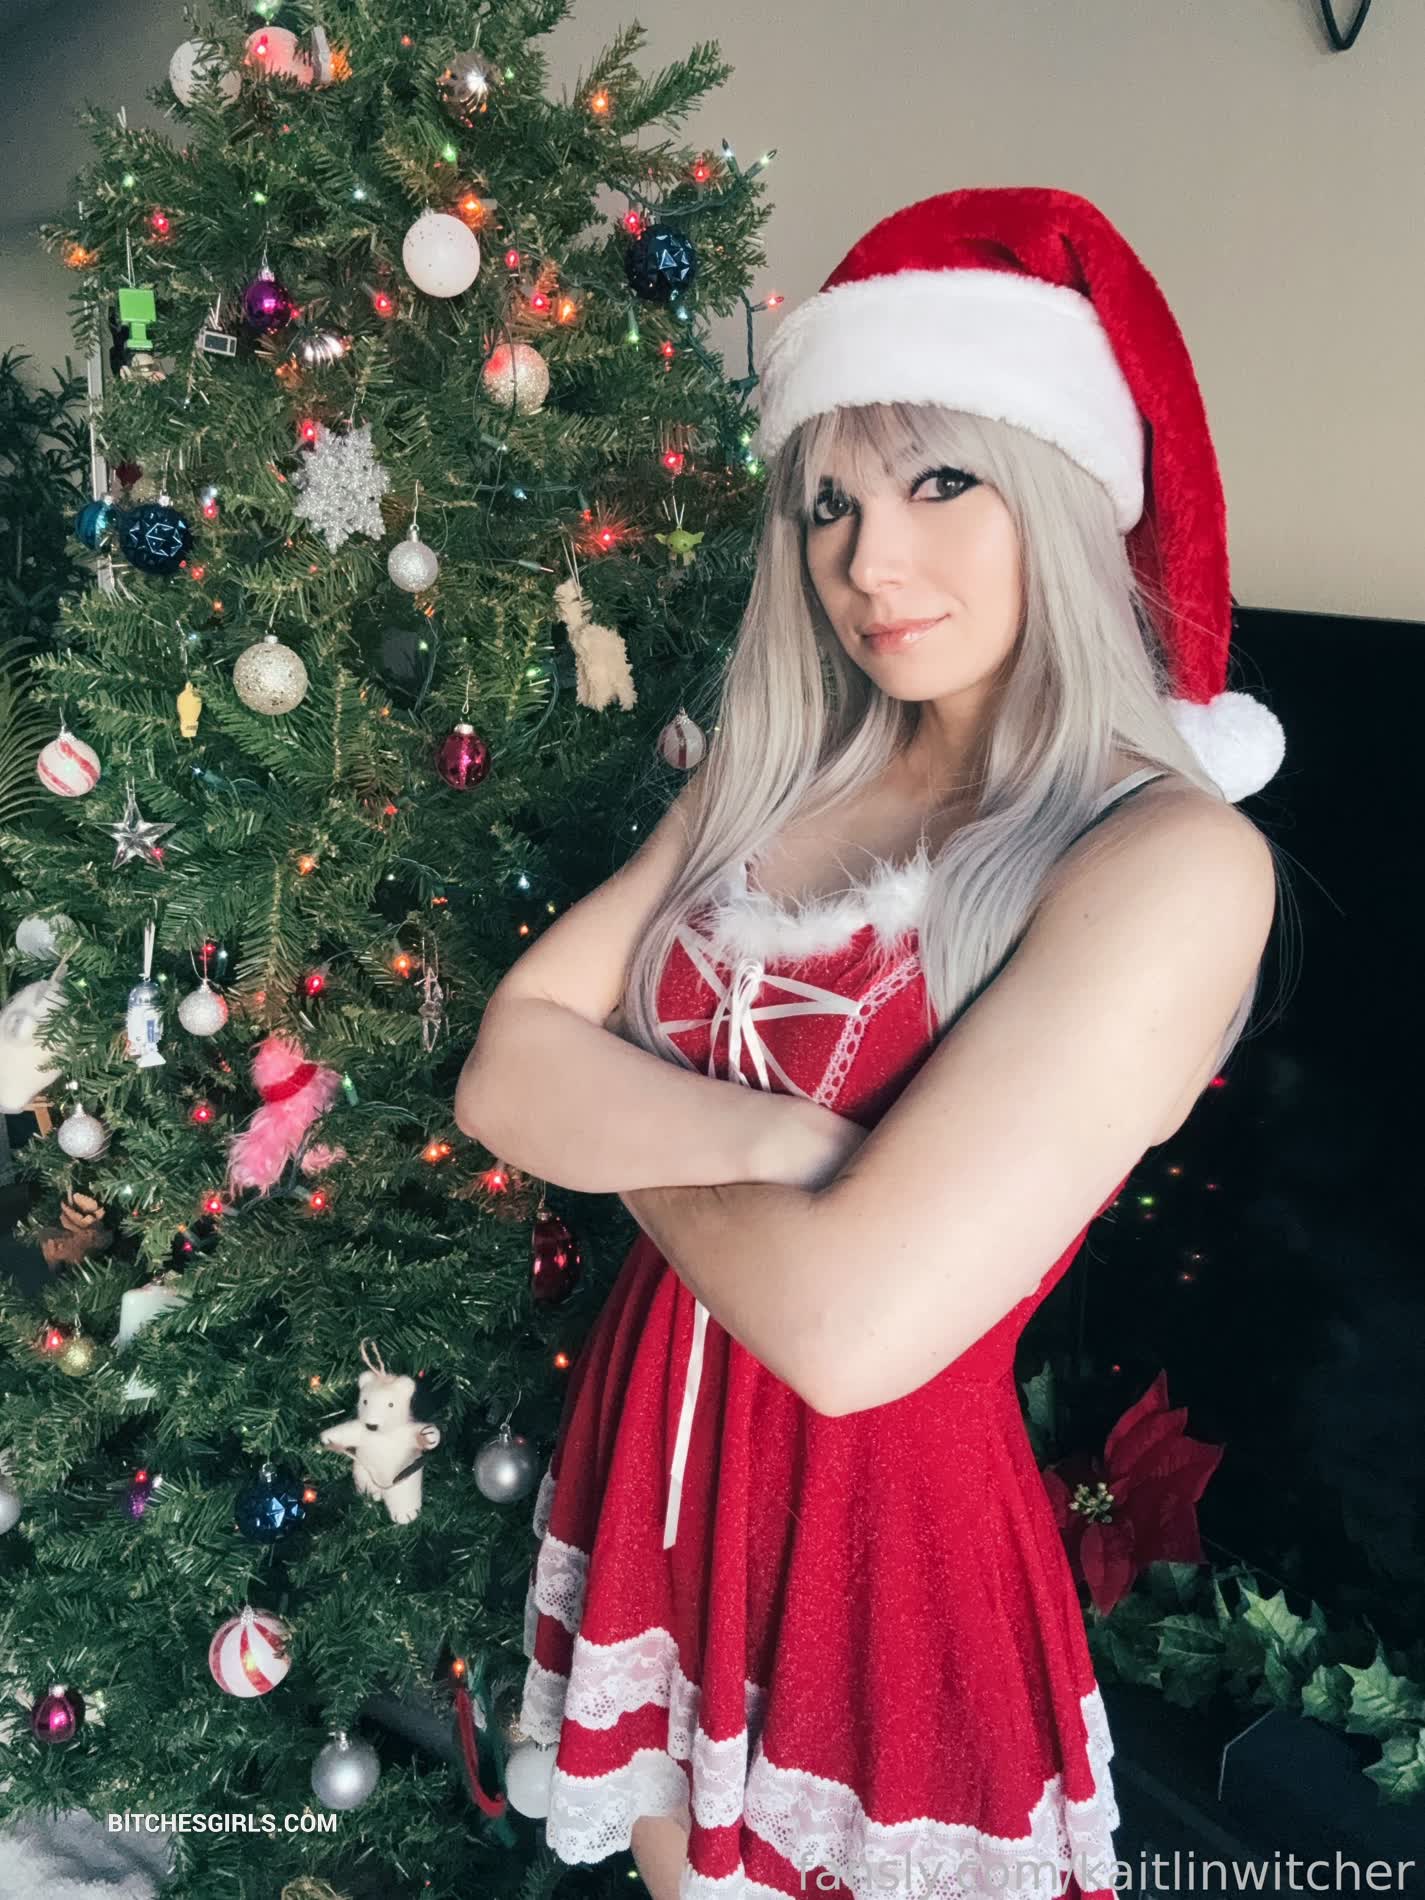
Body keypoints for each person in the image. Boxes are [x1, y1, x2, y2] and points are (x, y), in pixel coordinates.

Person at [454, 186, 1286, 1900]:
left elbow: (845, 1335)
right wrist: (774, 1143)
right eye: (826, 503)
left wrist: (623, 1118)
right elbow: (504, 1067)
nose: (865, 562)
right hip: (657, 1465)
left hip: (877, 1539)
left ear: (1062, 490)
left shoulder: (1165, 857)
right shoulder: (778, 776)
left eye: (938, 483)